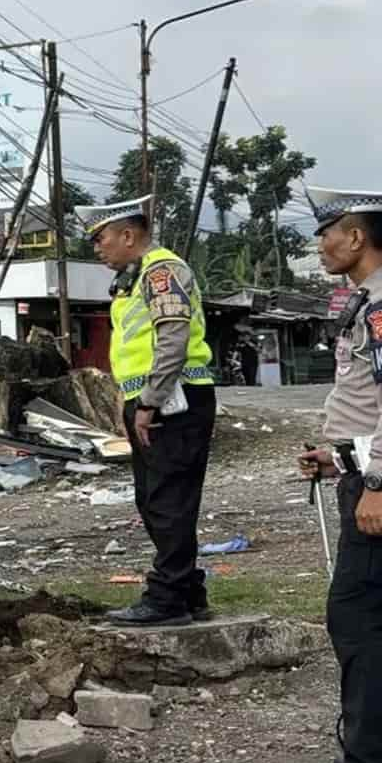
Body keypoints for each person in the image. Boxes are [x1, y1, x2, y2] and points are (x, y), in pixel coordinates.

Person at [79, 195, 215, 626]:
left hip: (173, 401)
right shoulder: (136, 277)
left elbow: (172, 340)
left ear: (127, 234)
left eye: (101, 239)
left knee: (168, 500)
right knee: (154, 497)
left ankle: (168, 598)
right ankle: (187, 588)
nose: (97, 248)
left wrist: (150, 402)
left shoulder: (161, 271)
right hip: (156, 401)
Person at [294, 187, 382, 763]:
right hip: (365, 471)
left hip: (378, 488)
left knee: (356, 616)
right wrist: (339, 454)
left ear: (355, 237)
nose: (321, 244)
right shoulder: (366, 304)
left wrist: (376, 482)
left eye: (328, 232)